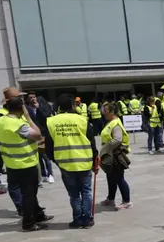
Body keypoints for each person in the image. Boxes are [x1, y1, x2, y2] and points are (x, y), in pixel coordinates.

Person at [0, 95, 53, 231]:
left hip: (11, 163)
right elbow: (37, 134)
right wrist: (28, 117)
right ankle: (28, 223)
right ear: (22, 108)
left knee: (29, 193)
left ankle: (38, 215)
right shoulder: (18, 124)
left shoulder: (0, 121)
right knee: (29, 194)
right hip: (25, 163)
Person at [46, 94, 98, 229]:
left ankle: (77, 219)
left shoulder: (51, 122)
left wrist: (56, 160)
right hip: (84, 162)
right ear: (73, 106)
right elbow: (92, 143)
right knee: (86, 191)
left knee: (74, 194)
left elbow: (48, 146)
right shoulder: (83, 120)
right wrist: (95, 160)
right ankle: (86, 220)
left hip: (65, 164)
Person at [99, 103, 132, 210]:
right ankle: (111, 198)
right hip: (111, 154)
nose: (104, 113)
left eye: (106, 111)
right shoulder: (111, 122)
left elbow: (117, 139)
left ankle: (126, 201)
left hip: (116, 155)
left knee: (119, 178)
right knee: (110, 177)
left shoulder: (116, 124)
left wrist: (105, 149)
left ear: (112, 112)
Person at [26, 94, 54, 184]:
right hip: (33, 134)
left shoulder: (42, 107)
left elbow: (46, 118)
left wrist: (38, 108)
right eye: (30, 98)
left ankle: (50, 174)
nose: (33, 99)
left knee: (45, 156)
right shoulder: (27, 110)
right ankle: (43, 174)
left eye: (34, 97)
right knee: (39, 157)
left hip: (42, 134)